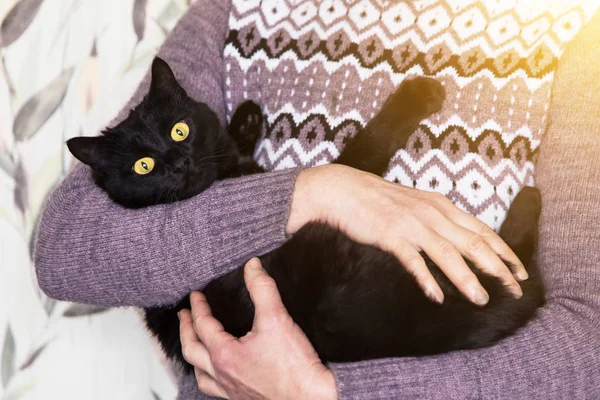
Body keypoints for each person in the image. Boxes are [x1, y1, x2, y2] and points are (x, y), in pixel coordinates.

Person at [34, 1, 600, 399]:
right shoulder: (234, 13)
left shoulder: (575, 33)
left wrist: (326, 393)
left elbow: (589, 344)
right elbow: (63, 250)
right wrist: (313, 190)